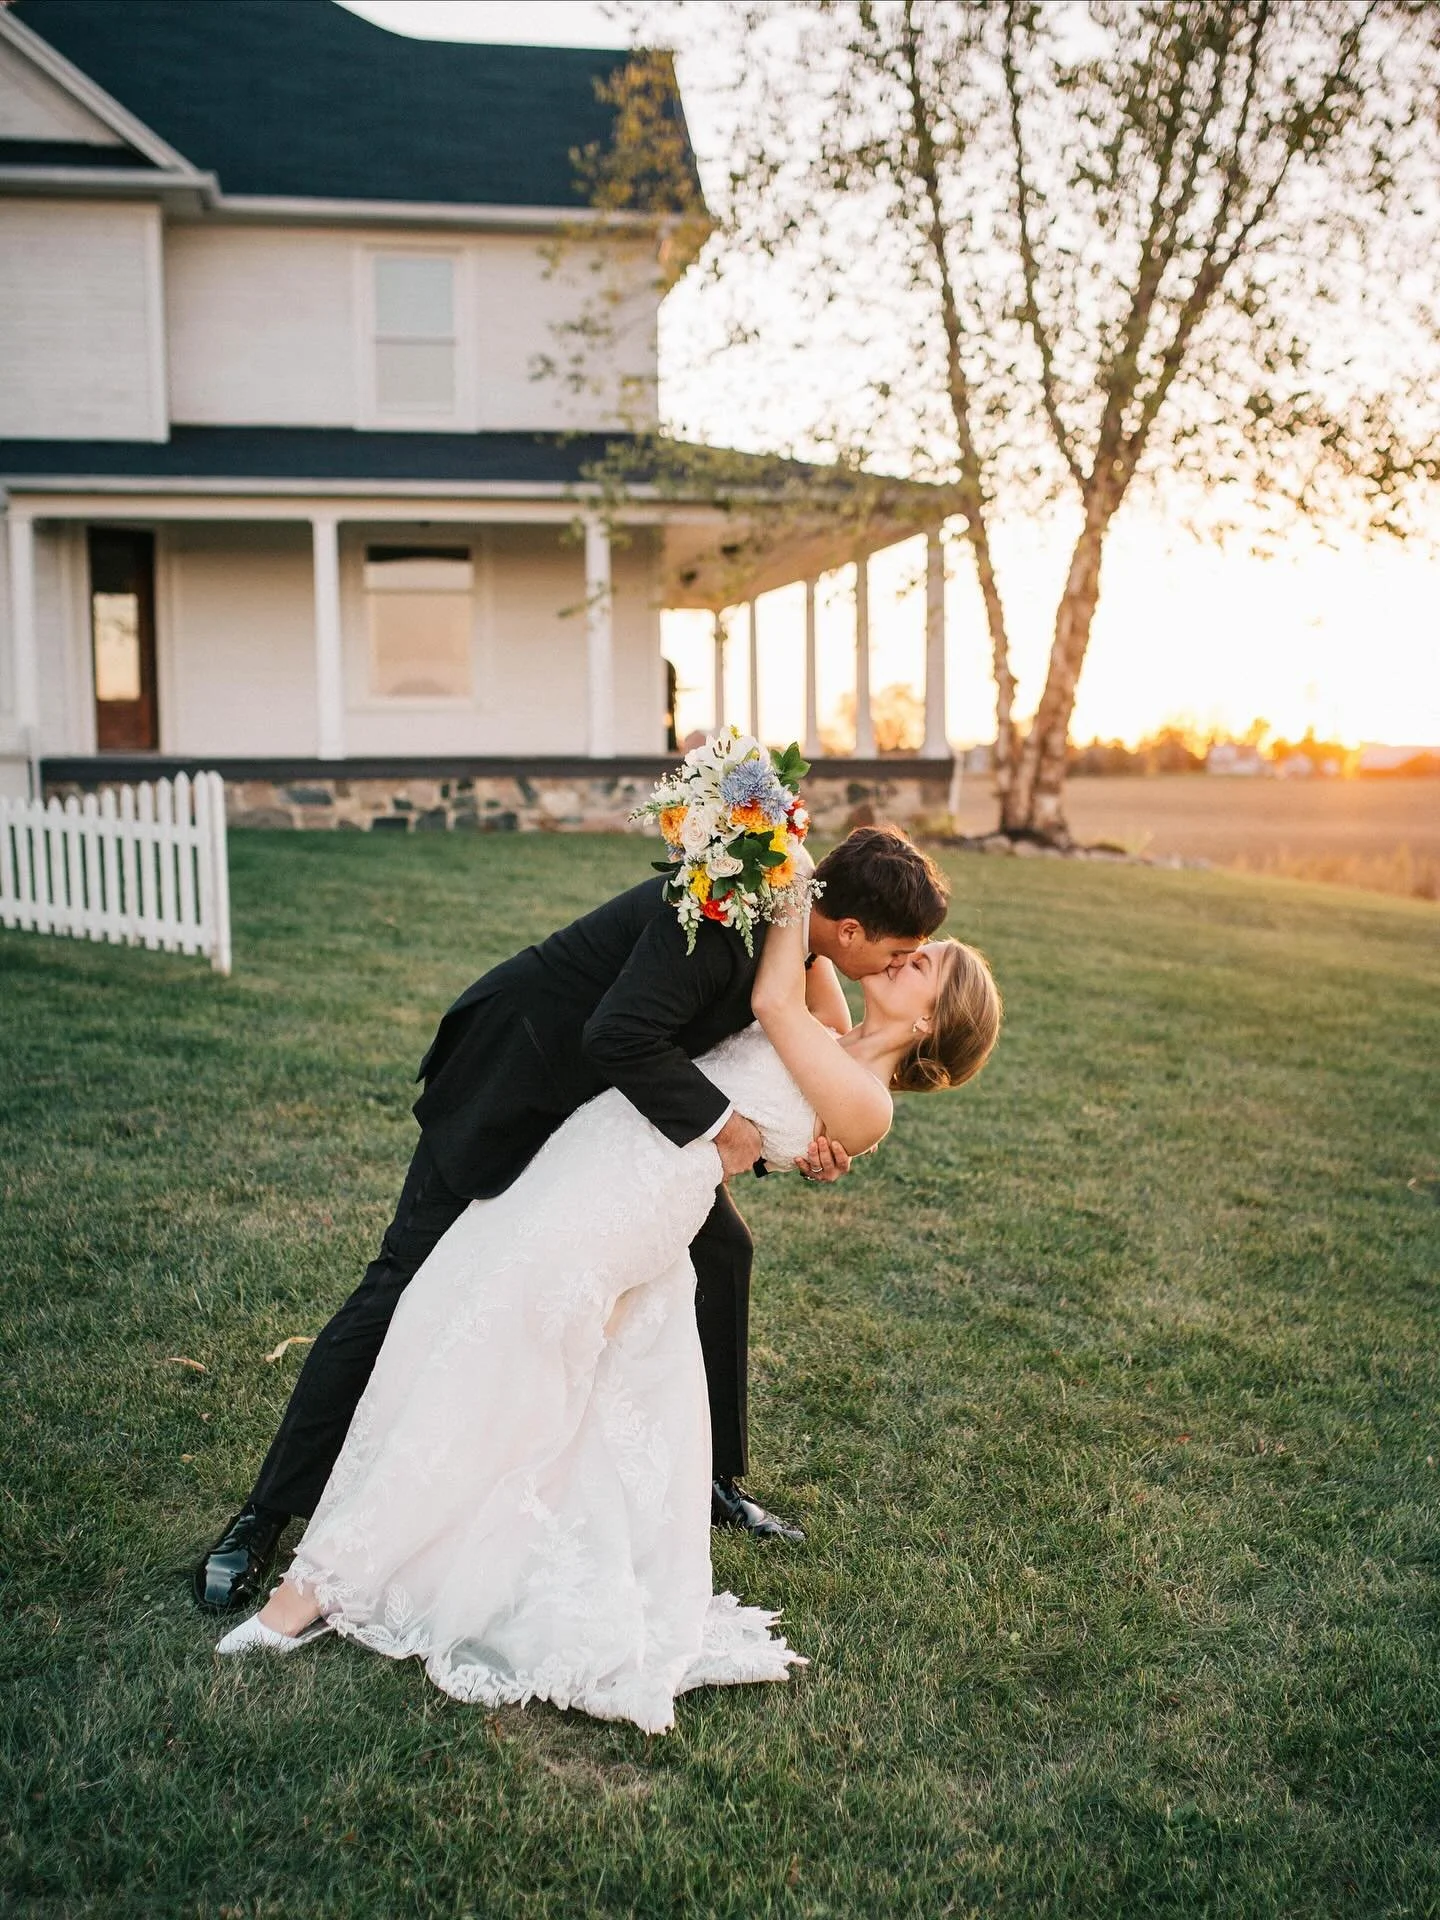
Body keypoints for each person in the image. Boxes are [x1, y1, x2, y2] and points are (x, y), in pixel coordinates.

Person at [216, 882, 1002, 1734]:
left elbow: (777, 997)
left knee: (500, 1354)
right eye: (906, 946)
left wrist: (796, 859)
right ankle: (411, 1545)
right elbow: (814, 952)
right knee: (459, 1316)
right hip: (594, 1149)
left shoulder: (866, 1099)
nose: (903, 957)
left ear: (929, 1023)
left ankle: (316, 1589)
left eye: (922, 964)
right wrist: (767, 841)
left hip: (632, 1196)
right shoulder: (835, 1018)